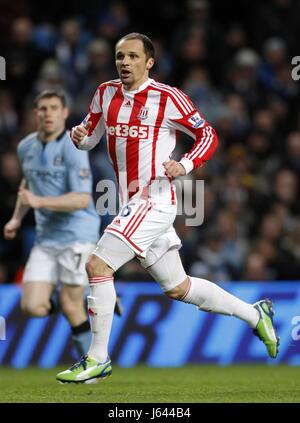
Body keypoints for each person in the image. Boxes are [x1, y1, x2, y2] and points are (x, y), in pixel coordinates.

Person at [56, 33, 279, 384]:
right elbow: (92, 135)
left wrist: (185, 165)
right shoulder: (105, 93)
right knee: (178, 287)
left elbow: (207, 135)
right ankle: (255, 315)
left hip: (155, 199)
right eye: (119, 57)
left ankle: (97, 358)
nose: (124, 62)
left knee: (98, 264)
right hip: (130, 201)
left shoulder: (168, 98)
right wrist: (80, 136)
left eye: (132, 56)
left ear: (149, 62)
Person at [3, 89, 121, 360]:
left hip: (77, 234)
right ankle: (90, 294)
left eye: (54, 108)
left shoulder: (73, 147)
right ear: (36, 114)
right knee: (32, 306)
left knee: (70, 306)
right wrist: (16, 218)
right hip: (46, 238)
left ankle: (93, 370)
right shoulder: (26, 147)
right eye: (43, 109)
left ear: (64, 113)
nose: (48, 114)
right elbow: (28, 184)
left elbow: (80, 200)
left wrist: (39, 202)